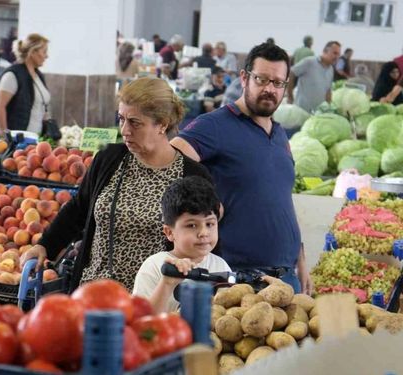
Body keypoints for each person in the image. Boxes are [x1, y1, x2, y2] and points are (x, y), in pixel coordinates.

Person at [20, 77, 213, 292]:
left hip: (153, 300)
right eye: (121, 119)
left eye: (135, 122)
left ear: (162, 124)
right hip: (93, 291)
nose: (125, 130)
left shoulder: (192, 176)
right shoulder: (109, 159)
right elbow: (78, 209)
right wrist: (45, 245)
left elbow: (204, 239)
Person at [170, 42, 310, 294]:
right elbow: (169, 161)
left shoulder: (279, 135)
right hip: (236, 279)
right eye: (261, 79)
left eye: (277, 83)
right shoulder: (214, 126)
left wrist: (300, 258)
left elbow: (282, 200)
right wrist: (207, 205)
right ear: (244, 78)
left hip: (286, 277)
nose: (269, 89)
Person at [133, 176, 230, 313]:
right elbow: (142, 320)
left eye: (209, 224)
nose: (203, 232)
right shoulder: (155, 266)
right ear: (169, 232)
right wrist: (167, 284)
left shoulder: (221, 266)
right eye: (191, 225)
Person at [0, 33, 50, 137]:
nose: (47, 56)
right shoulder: (12, 75)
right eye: (44, 52)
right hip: (18, 140)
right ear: (33, 52)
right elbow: (0, 107)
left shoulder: (38, 75)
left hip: (35, 139)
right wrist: (5, 137)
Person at [286, 41, 340, 113]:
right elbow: (291, 73)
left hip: (318, 113)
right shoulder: (309, 62)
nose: (337, 57)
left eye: (338, 54)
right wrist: (290, 96)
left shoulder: (331, 69)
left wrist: (328, 108)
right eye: (335, 53)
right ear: (325, 51)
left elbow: (328, 91)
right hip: (301, 111)